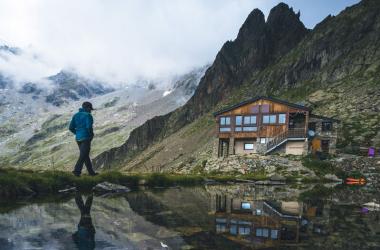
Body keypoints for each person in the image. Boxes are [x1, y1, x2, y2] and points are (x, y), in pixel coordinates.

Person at [69, 101, 98, 177]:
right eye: (90, 109)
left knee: (85, 155)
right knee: (83, 156)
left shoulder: (75, 115)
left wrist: (77, 133)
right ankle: (76, 172)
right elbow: (89, 127)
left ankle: (91, 172)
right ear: (87, 108)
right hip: (86, 138)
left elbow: (70, 128)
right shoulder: (88, 115)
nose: (90, 110)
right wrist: (91, 134)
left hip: (78, 138)